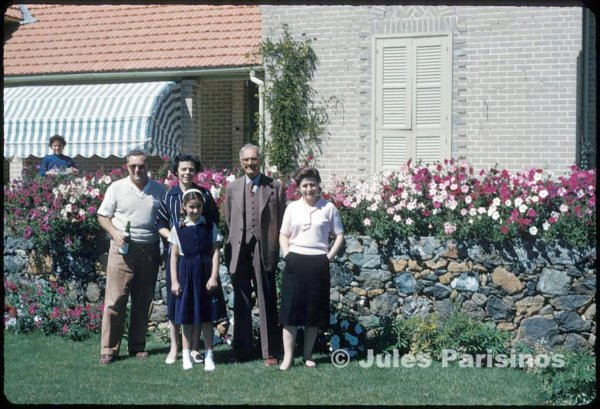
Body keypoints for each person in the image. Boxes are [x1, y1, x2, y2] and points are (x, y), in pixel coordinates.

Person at [97, 149, 166, 365]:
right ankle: (109, 349)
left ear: (148, 167)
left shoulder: (159, 190)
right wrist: (115, 234)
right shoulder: (116, 188)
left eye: (142, 166)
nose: (138, 169)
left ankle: (137, 346)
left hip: (150, 249)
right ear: (127, 167)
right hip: (122, 250)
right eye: (133, 166)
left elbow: (164, 220)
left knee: (143, 300)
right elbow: (102, 216)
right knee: (115, 299)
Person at [155, 153, 225, 365]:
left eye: (191, 169)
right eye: (183, 169)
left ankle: (195, 348)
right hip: (179, 257)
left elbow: (213, 220)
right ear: (176, 171)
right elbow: (160, 223)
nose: (187, 172)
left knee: (198, 303)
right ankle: (175, 347)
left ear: (196, 172)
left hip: (201, 257)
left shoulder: (203, 194)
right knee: (178, 302)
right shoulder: (170, 195)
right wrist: (177, 240)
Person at [223, 143, 285, 366]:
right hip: (239, 248)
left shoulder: (274, 186)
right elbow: (229, 219)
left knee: (266, 298)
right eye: (246, 160)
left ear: (260, 160)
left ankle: (270, 352)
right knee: (240, 300)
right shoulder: (232, 188)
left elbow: (281, 219)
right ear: (240, 162)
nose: (250, 163)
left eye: (254, 159)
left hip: (264, 248)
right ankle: (241, 351)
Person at [278, 167, 344, 370]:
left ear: (318, 186)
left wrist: (328, 258)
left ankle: (308, 356)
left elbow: (339, 235)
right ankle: (288, 358)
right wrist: (287, 254)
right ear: (299, 188)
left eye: (312, 185)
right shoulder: (292, 208)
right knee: (290, 313)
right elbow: (283, 234)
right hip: (295, 262)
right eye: (305, 185)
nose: (309, 189)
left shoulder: (329, 208)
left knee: (312, 313)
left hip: (318, 264)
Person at [169, 189, 221, 371]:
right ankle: (186, 356)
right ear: (184, 207)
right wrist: (175, 281)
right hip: (186, 275)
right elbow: (174, 256)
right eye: (191, 207)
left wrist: (214, 276)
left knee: (207, 317)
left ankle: (209, 355)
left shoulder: (210, 226)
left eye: (198, 206)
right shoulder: (178, 228)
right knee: (187, 318)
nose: (195, 210)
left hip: (206, 274)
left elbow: (215, 252)